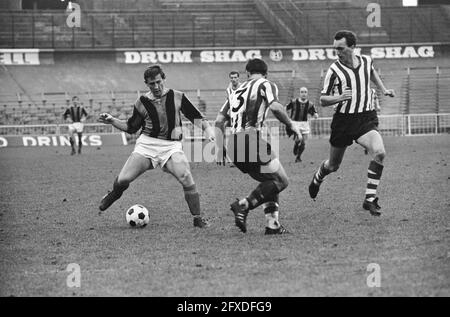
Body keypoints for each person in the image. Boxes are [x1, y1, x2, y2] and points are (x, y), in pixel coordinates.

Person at [97, 65, 214, 228]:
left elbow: (195, 116)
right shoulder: (142, 102)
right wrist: (112, 120)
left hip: (172, 146)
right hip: (147, 145)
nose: (156, 86)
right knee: (123, 179)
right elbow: (131, 128)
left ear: (163, 79)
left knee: (186, 177)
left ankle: (197, 219)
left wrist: (208, 130)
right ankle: (115, 193)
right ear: (147, 84)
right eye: (152, 84)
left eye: (159, 82)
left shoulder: (178, 96)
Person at [308, 30, 395, 216]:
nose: (337, 52)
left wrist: (383, 89)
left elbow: (371, 73)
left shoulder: (366, 61)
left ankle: (369, 199)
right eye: (335, 49)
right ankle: (318, 177)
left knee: (379, 152)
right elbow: (323, 99)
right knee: (333, 165)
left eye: (341, 48)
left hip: (365, 118)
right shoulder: (334, 70)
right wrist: (339, 97)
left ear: (353, 47)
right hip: (343, 122)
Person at [215, 58, 302, 234]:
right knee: (281, 181)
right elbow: (276, 108)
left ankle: (272, 225)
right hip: (251, 140)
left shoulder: (235, 91)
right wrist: (291, 124)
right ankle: (243, 205)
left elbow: (219, 121)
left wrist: (219, 148)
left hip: (234, 145)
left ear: (247, 73)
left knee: (269, 180)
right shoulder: (265, 84)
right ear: (266, 73)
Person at [286, 87, 319, 162]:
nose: (303, 94)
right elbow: (286, 108)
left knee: (304, 143)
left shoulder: (310, 104)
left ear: (307, 94)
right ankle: (296, 144)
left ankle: (298, 157)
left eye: (305, 92)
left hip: (304, 124)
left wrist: (315, 115)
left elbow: (314, 112)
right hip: (295, 123)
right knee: (299, 139)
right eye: (302, 92)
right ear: (299, 93)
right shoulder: (294, 102)